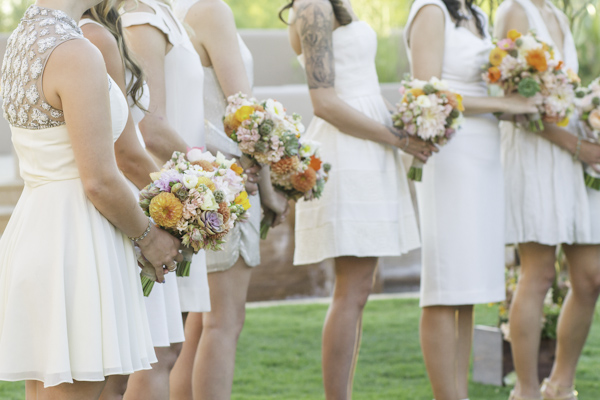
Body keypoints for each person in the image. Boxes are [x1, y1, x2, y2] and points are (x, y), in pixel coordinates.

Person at [0, 1, 183, 399]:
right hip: (75, 243)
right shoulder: (75, 51)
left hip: (39, 227)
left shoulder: (24, 38)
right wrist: (150, 237)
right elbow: (99, 179)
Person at [281, 1, 436, 398]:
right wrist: (398, 139)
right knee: (351, 289)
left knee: (360, 287)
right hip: (347, 154)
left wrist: (408, 123)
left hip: (371, 145)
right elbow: (326, 103)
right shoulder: (313, 7)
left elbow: (363, 87)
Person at [405, 0, 540, 398]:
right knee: (445, 288)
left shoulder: (477, 15)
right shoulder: (431, 10)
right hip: (449, 155)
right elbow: (426, 96)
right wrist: (505, 104)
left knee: (466, 294)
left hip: (484, 156)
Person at [169, 1, 288, 399]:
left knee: (198, 324)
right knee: (223, 321)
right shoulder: (209, 10)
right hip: (231, 182)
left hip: (196, 180)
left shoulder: (160, 10)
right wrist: (270, 191)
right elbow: (245, 115)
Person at [80, 2, 186, 399]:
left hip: (137, 197)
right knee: (124, 366)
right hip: (123, 207)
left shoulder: (102, 31)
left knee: (138, 360)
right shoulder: (93, 37)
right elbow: (125, 150)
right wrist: (185, 201)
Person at [495, 1, 600, 399]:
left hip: (574, 156)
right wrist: (578, 146)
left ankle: (560, 387)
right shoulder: (514, 12)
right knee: (537, 274)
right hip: (536, 155)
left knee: (591, 278)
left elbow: (565, 91)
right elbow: (512, 103)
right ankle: (525, 391)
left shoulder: (556, 12)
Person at [120, 0, 211, 398]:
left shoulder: (164, 12)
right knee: (155, 349)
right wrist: (205, 177)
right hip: (158, 198)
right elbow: (148, 126)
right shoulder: (141, 20)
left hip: (181, 194)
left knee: (171, 344)